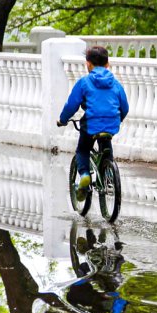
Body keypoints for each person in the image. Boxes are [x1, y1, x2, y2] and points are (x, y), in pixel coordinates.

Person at [57, 46, 129, 201]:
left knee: (83, 149)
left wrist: (62, 120)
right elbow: (125, 107)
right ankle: (108, 173)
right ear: (107, 64)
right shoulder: (116, 84)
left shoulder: (84, 82)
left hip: (91, 124)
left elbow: (71, 105)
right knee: (106, 143)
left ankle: (84, 176)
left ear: (88, 64)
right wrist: (118, 118)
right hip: (112, 124)